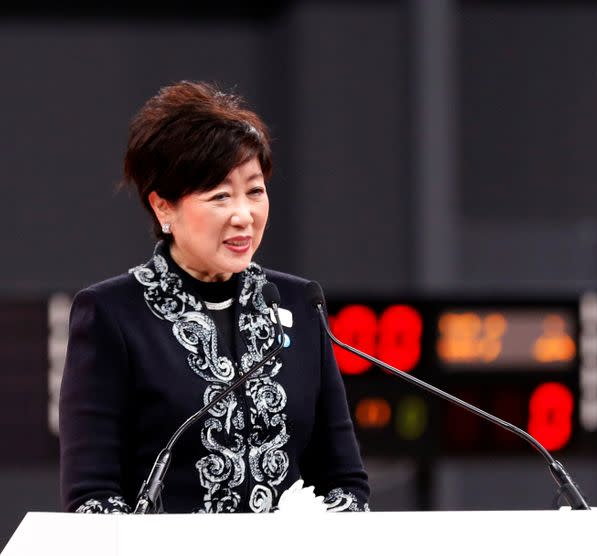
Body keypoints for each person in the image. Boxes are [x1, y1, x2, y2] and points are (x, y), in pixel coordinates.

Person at [59, 81, 370, 514]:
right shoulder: (111, 314)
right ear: (163, 207)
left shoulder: (298, 305)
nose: (244, 214)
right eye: (220, 195)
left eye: (255, 191)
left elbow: (344, 482)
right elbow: (92, 498)